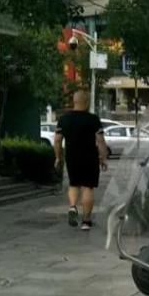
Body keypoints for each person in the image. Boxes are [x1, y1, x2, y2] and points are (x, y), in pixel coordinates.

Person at [54, 90, 108, 230]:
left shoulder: (64, 119)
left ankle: (72, 206)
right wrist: (103, 157)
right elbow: (100, 141)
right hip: (89, 157)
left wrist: (58, 157)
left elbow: (57, 141)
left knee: (74, 184)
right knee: (88, 187)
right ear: (87, 102)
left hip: (72, 157)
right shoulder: (93, 119)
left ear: (74, 101)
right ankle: (86, 221)